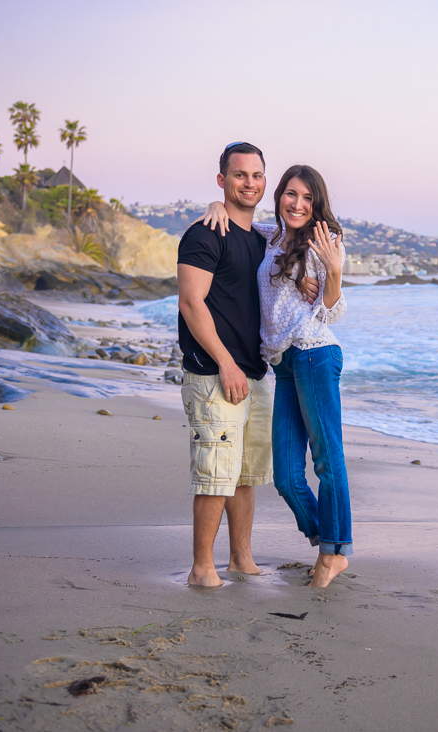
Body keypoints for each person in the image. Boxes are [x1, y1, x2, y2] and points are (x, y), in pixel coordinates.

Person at [201, 164, 352, 588]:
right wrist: (216, 203)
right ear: (280, 196)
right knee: (286, 476)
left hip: (315, 355)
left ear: (317, 201)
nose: (298, 204)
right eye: (290, 194)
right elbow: (233, 218)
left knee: (326, 459)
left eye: (307, 197)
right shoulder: (271, 235)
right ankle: (331, 540)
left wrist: (332, 274)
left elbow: (333, 312)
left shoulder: (327, 242)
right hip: (283, 365)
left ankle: (332, 553)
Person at [176, 142, 275, 587]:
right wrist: (226, 363)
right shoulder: (204, 233)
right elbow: (191, 303)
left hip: (254, 374)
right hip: (214, 374)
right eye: (239, 175)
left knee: (245, 472)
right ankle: (202, 569)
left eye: (256, 175)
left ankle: (241, 559)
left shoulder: (261, 240)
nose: (249, 183)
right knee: (215, 473)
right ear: (222, 179)